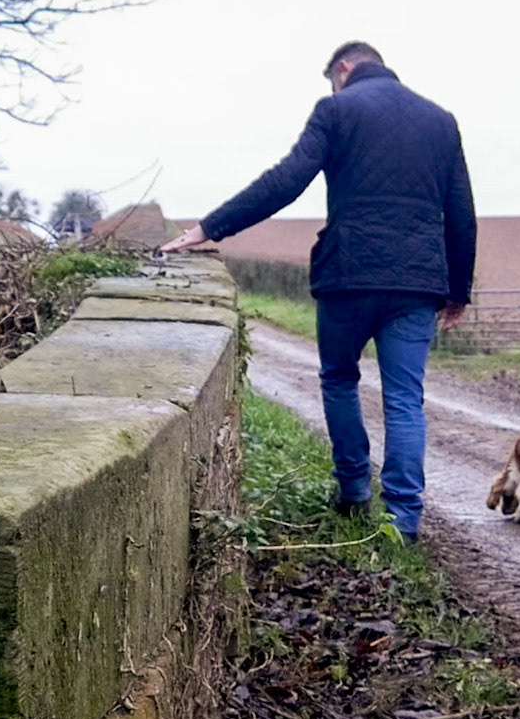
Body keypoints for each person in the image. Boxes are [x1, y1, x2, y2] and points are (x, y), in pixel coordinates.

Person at [162, 41, 477, 543]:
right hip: (416, 281)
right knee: (404, 399)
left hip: (348, 274)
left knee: (338, 379)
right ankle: (403, 521)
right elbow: (460, 209)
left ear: (344, 68)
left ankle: (353, 488)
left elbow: (287, 179)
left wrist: (210, 227)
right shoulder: (441, 120)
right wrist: (458, 287)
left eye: (331, 77)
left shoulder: (336, 108)